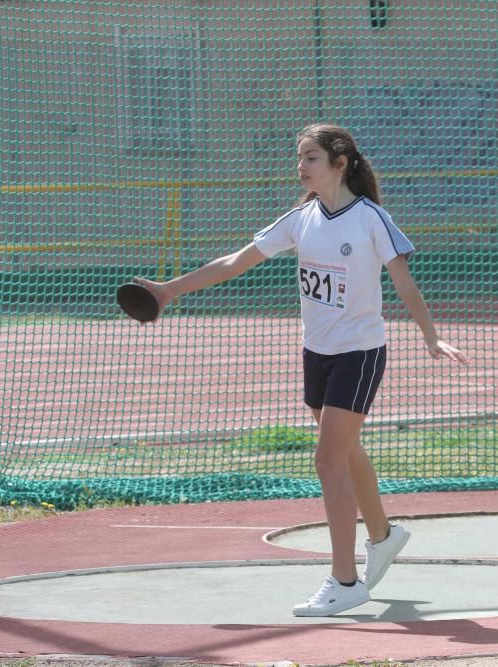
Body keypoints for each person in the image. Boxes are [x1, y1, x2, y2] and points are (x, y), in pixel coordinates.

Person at [134, 123, 469, 616]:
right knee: (345, 449)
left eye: (310, 157)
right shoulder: (300, 219)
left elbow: (404, 283)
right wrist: (169, 290)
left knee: (327, 459)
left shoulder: (371, 219)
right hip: (317, 353)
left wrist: (429, 335)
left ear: (339, 163)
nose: (300, 165)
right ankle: (383, 534)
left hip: (360, 352)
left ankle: (345, 580)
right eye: (299, 157)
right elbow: (234, 262)